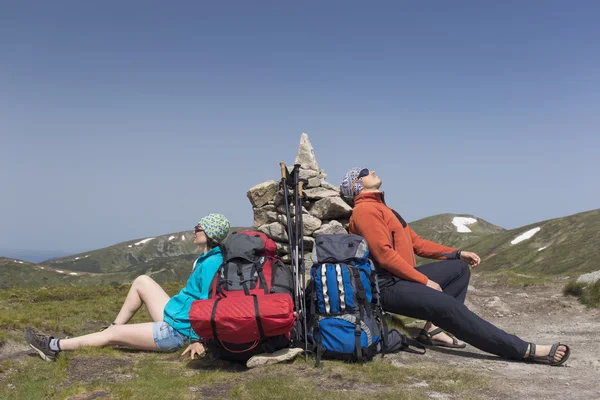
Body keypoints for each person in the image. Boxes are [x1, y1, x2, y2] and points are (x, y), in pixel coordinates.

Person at [340, 167, 570, 366]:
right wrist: (424, 282)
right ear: (356, 185)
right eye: (363, 172)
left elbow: (417, 243)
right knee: (448, 306)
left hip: (401, 278)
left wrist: (456, 253)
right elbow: (385, 257)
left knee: (458, 269)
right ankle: (524, 349)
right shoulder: (365, 211)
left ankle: (432, 329)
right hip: (386, 285)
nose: (370, 171)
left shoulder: (385, 209)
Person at [25, 213, 231, 362]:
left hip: (176, 332)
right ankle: (113, 327)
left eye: (199, 227)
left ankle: (53, 347)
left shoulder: (212, 263)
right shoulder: (207, 259)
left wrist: (196, 339)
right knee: (142, 281)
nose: (194, 230)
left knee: (112, 337)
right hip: (177, 316)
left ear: (209, 233)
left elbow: (207, 303)